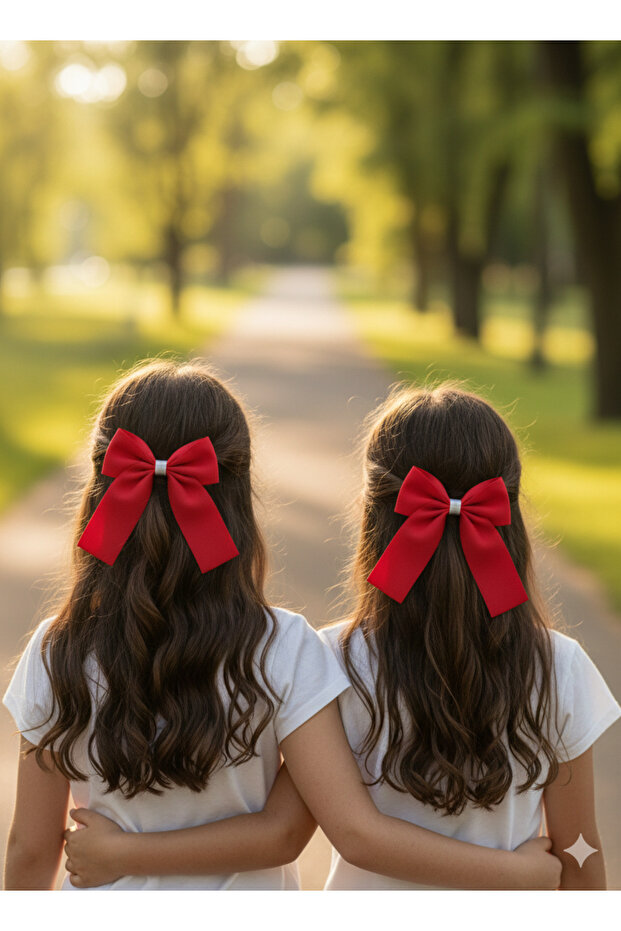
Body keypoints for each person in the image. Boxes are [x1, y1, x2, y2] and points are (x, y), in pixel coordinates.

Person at [4, 366, 562, 891]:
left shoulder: (57, 649)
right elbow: (286, 833)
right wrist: (519, 874)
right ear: (237, 496)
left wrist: (120, 855)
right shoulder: (285, 647)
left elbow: (30, 851)